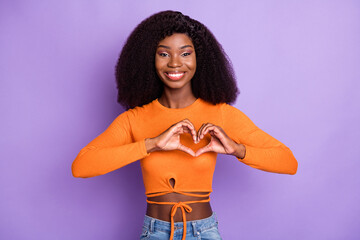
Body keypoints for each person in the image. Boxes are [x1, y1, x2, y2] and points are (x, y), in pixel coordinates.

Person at [71, 10, 298, 240]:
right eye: (163, 54)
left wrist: (237, 150)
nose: (175, 63)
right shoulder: (135, 119)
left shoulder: (221, 114)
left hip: (203, 233)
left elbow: (288, 162)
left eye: (185, 53)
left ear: (200, 59)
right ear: (149, 59)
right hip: (155, 233)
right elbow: (81, 166)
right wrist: (151, 144)